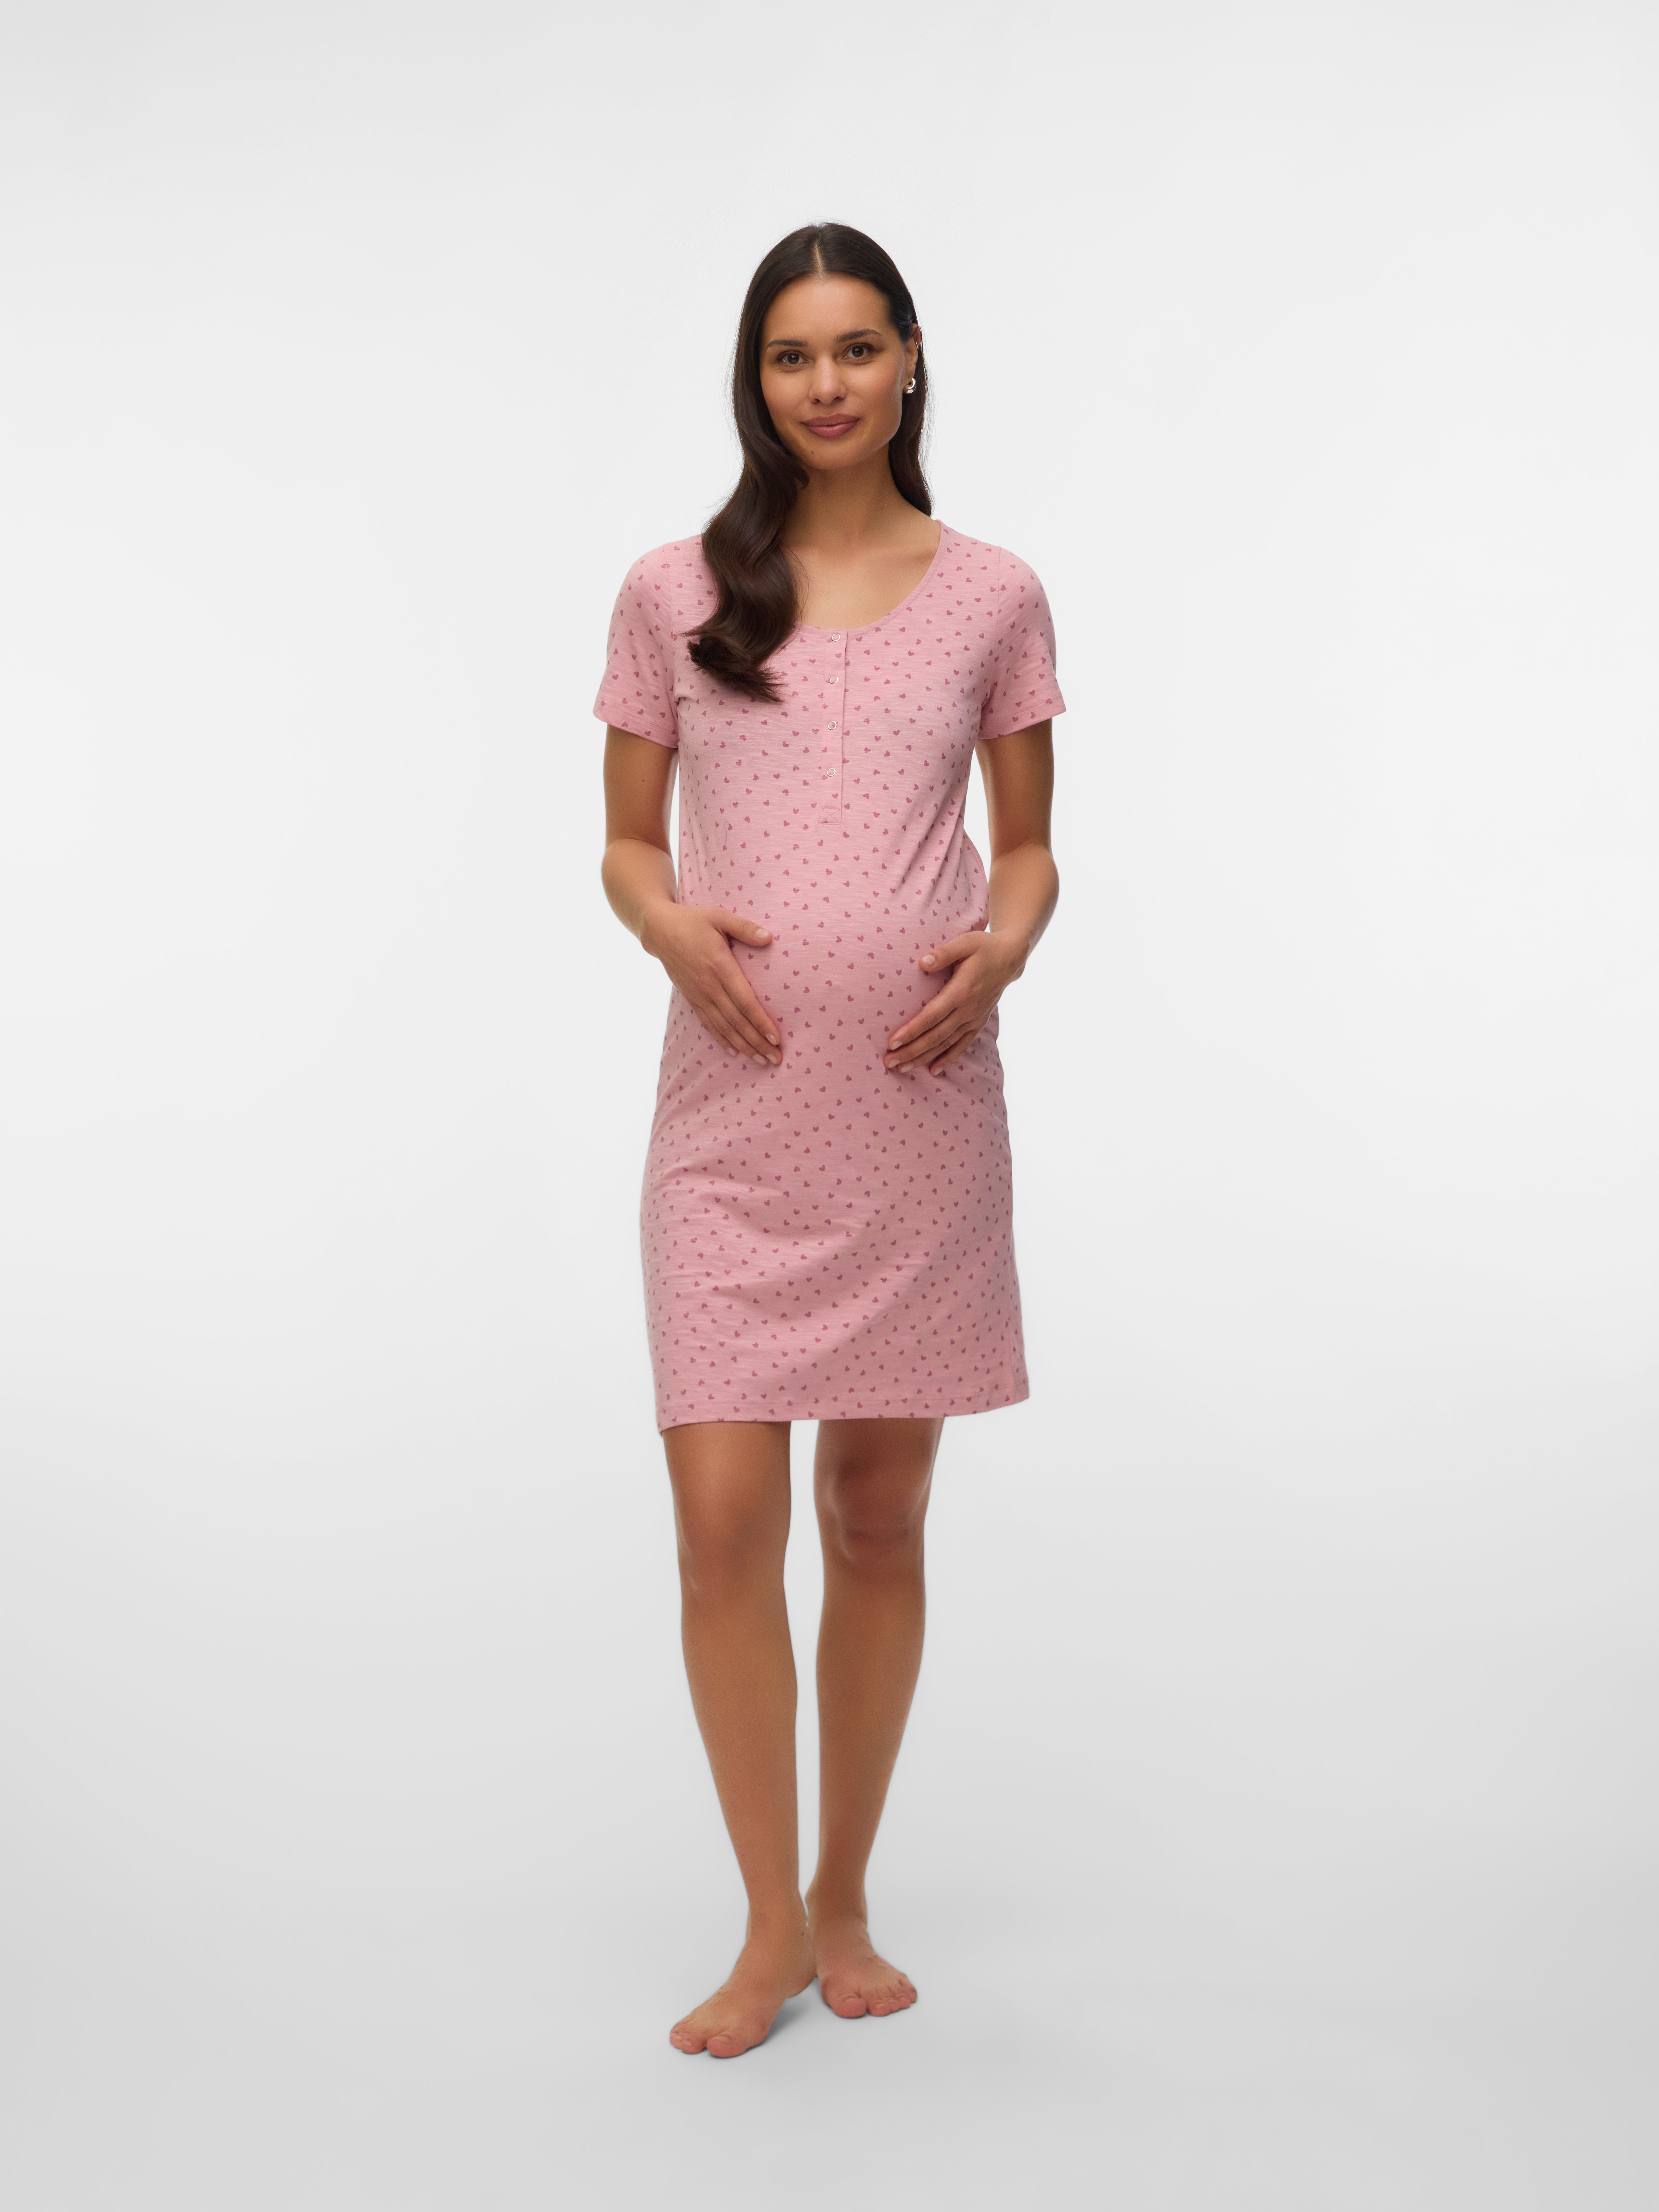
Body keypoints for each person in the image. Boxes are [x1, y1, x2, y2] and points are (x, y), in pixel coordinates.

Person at [596, 222, 1063, 2058]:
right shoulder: (671, 591)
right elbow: (627, 842)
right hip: (730, 1117)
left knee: (876, 1513)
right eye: (792, 354)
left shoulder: (995, 594)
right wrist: (669, 924)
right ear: (756, 377)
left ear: (912, 357)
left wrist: (1005, 942)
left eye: (857, 347)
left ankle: (845, 1894)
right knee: (724, 1527)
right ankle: (766, 1922)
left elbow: (1028, 849)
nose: (826, 383)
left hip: (916, 1106)